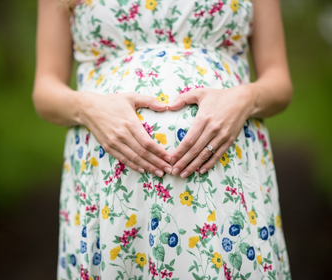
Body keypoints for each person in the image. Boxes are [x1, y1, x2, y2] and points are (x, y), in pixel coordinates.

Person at [32, 0, 293, 279]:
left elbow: (279, 81)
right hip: (108, 183)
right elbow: (45, 90)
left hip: (226, 173)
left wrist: (245, 99)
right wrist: (86, 107)